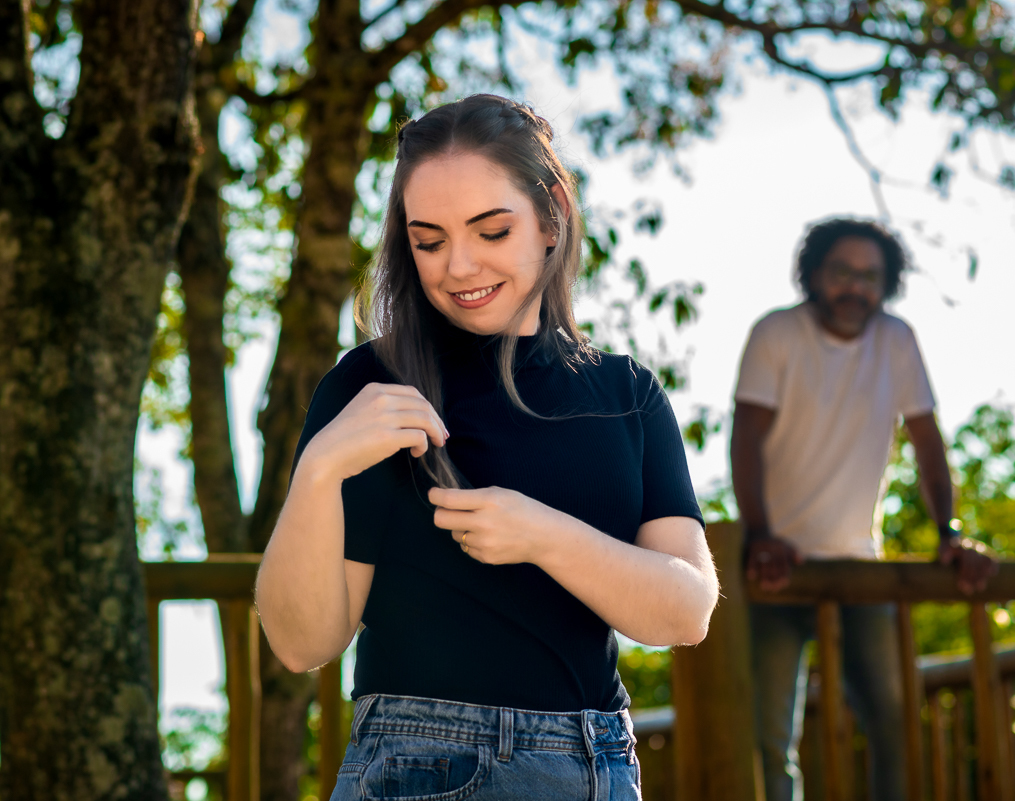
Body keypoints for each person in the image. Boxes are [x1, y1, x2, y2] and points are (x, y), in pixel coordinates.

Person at [255, 94, 719, 801]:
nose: (459, 267)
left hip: (601, 764)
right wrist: (318, 471)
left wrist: (540, 533)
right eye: (429, 240)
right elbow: (300, 643)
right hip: (417, 765)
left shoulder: (626, 394)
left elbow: (685, 612)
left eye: (491, 231)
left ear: (552, 213)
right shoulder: (370, 384)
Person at [729, 218, 997, 801]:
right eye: (843, 272)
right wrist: (761, 536)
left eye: (871, 277)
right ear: (816, 274)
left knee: (893, 722)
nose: (857, 288)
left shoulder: (896, 340)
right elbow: (744, 439)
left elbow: (928, 443)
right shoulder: (776, 333)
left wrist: (949, 532)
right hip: (776, 566)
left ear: (887, 283)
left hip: (860, 565)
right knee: (770, 739)